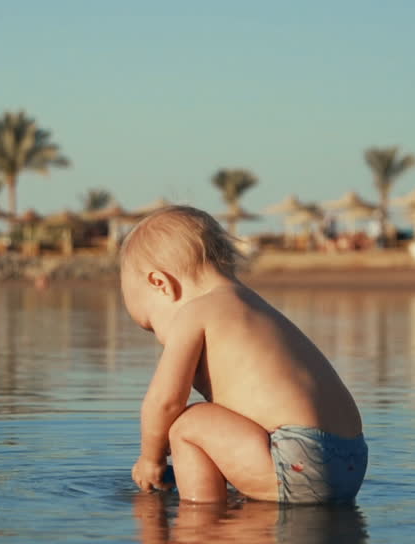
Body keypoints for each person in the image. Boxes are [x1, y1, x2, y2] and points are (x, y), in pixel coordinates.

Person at [119, 206, 366, 504]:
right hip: (351, 461)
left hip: (298, 457)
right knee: (211, 426)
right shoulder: (252, 305)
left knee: (187, 424)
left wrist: (151, 460)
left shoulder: (196, 311)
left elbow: (164, 402)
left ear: (161, 284)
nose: (161, 340)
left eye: (152, 325)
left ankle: (202, 517)